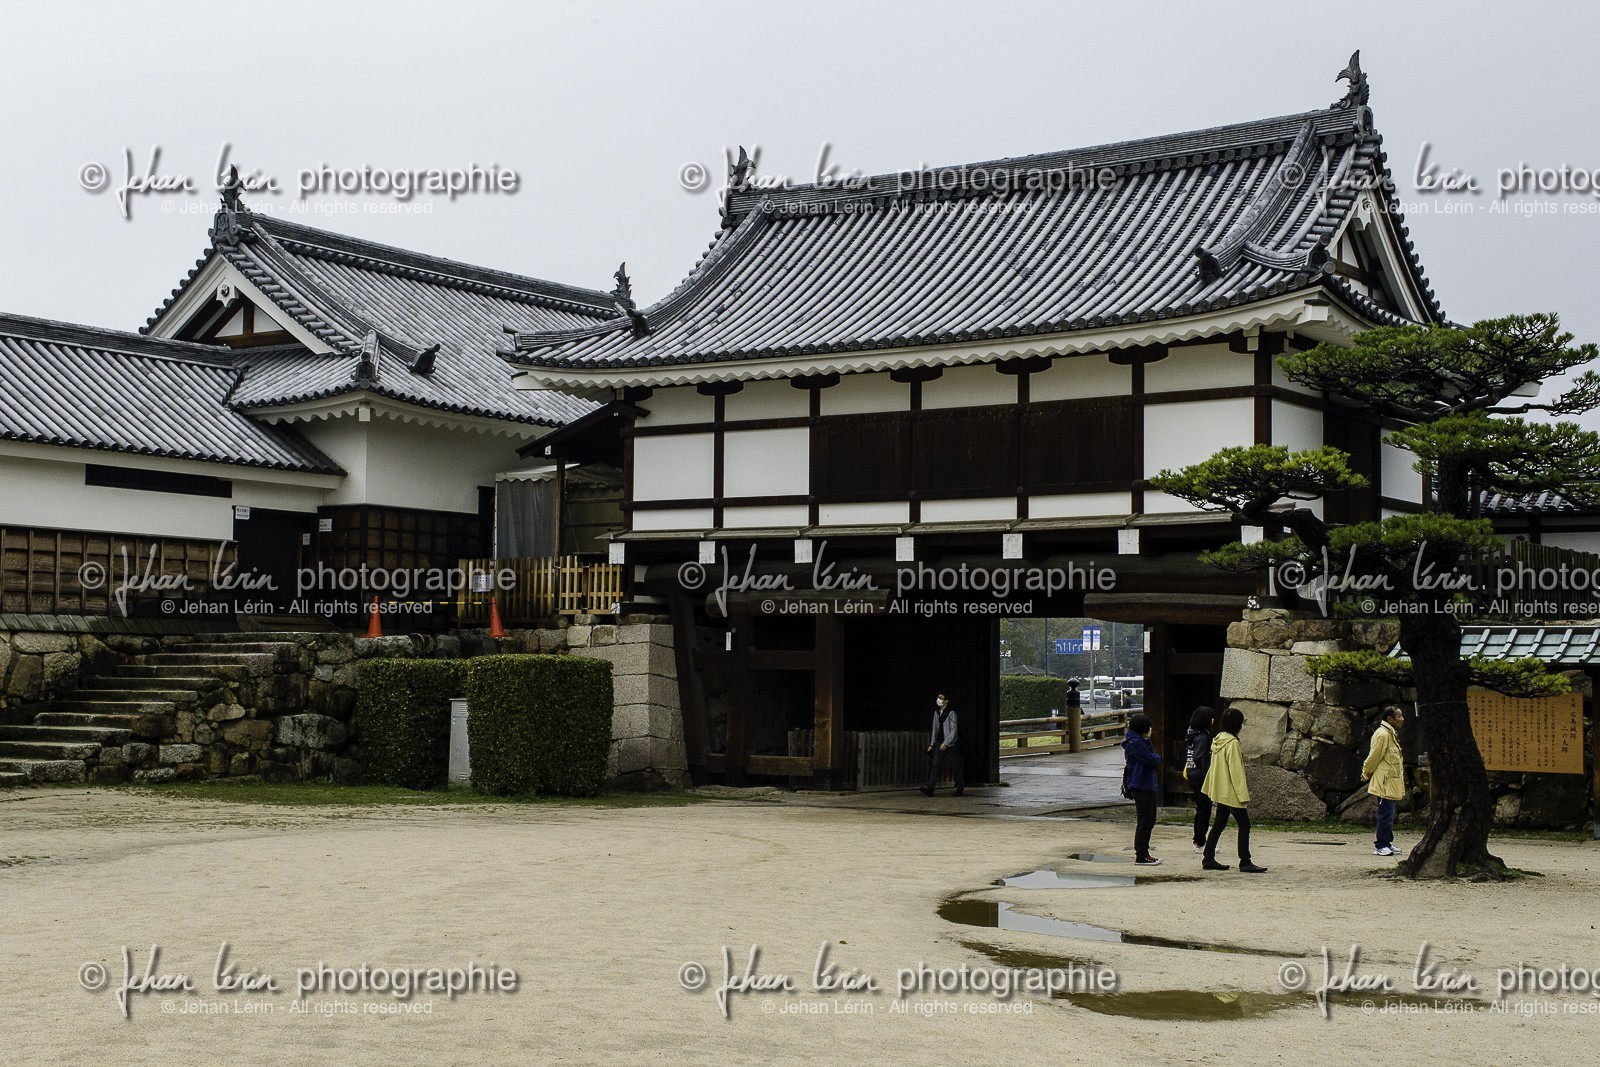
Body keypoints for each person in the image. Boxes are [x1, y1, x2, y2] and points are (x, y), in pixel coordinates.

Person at [1201, 707, 1267, 873]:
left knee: (1219, 824)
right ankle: (1245, 861)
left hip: (1221, 789)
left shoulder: (1218, 740)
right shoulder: (1232, 743)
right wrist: (1243, 795)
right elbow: (1236, 772)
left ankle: (1208, 857)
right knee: (1244, 825)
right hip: (1231, 791)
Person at [1361, 704, 1407, 857]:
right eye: (1399, 716)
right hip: (1385, 782)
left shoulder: (1390, 734)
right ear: (1390, 719)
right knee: (1385, 814)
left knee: (1389, 814)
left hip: (1390, 782)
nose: (1402, 719)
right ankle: (1380, 845)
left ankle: (1387, 842)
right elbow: (1374, 757)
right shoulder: (1383, 735)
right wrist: (1366, 773)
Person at [1121, 712, 1162, 865]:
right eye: (1149, 728)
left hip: (1143, 783)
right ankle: (1141, 854)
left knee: (1149, 819)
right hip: (1141, 784)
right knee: (1145, 820)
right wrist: (1156, 756)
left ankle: (1144, 852)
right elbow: (1151, 759)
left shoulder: (1137, 741)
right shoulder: (1137, 743)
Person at [1184, 706, 1218, 854]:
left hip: (1192, 773)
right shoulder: (1203, 737)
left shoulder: (1191, 734)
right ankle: (1200, 842)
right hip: (1201, 776)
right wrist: (1208, 771)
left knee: (1200, 809)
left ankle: (1197, 839)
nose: (1213, 720)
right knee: (1205, 810)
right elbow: (1199, 757)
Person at [921, 692, 964, 797]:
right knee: (935, 765)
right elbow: (935, 729)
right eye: (938, 697)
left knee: (955, 766)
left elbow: (954, 730)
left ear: (946, 700)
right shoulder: (936, 713)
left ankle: (960, 788)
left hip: (951, 744)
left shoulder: (951, 713)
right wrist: (932, 744)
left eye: (941, 698)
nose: (939, 700)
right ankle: (930, 788)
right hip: (939, 743)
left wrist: (946, 743)